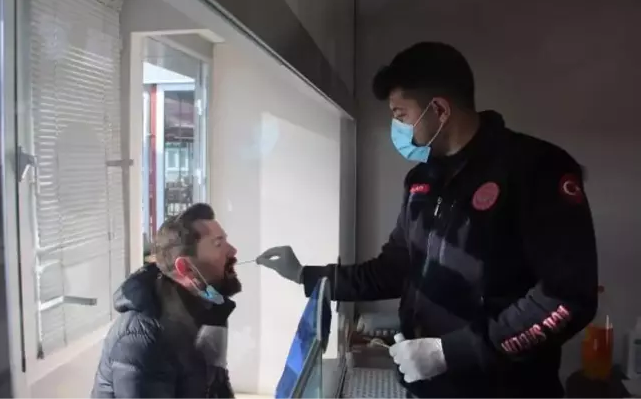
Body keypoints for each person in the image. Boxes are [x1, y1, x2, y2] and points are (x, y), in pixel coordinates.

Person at [256, 42, 598, 399]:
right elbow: (392, 269)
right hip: (427, 387)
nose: (397, 128)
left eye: (401, 115)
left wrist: (451, 352)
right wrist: (305, 275)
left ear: (438, 109)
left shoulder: (535, 169)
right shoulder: (423, 181)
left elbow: (567, 298)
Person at [91, 203, 241, 399]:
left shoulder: (210, 310)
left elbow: (217, 385)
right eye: (218, 244)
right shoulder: (142, 337)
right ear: (186, 268)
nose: (233, 251)